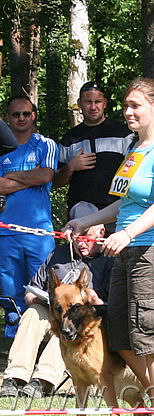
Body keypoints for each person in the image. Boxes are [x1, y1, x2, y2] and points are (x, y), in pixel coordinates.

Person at [64, 77, 154, 416]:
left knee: (150, 338)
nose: (128, 112)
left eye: (136, 105)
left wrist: (128, 232)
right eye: (126, 105)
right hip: (126, 251)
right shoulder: (137, 149)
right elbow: (126, 203)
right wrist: (88, 220)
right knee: (120, 336)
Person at [0, 202, 112, 398]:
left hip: (87, 323)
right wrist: (37, 298)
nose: (82, 242)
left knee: (70, 325)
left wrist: (97, 302)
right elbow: (29, 292)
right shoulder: (58, 255)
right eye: (78, 236)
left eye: (88, 235)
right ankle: (15, 377)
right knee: (33, 313)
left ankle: (44, 380)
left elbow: (114, 308)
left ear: (101, 231)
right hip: (54, 312)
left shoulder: (109, 260)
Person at [0, 95, 58, 338]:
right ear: (7, 119)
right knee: (10, 291)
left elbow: (46, 176)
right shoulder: (2, 147)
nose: (21, 118)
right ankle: (16, 342)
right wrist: (28, 177)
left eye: (26, 113)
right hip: (6, 231)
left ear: (33, 115)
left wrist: (12, 177)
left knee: (44, 289)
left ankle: (47, 340)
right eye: (16, 114)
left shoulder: (45, 144)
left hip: (39, 231)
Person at [54, 81, 134, 231]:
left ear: (105, 103)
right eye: (87, 102)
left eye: (97, 101)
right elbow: (56, 182)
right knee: (82, 254)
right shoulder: (70, 138)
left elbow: (134, 175)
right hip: (81, 213)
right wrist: (71, 167)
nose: (93, 107)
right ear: (79, 103)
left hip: (116, 212)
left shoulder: (123, 134)